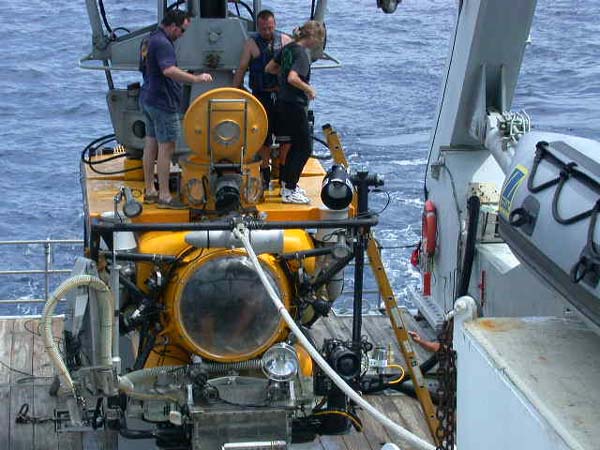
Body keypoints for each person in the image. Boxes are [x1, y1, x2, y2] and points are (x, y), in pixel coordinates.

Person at [140, 10, 213, 209]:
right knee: (167, 147)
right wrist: (196, 79)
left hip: (148, 98)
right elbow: (168, 70)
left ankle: (150, 190)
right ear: (173, 25)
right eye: (182, 30)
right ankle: (164, 195)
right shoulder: (164, 43)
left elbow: (146, 68)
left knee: (151, 144)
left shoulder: (149, 39)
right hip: (163, 103)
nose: (181, 34)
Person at [265, 20, 325, 204]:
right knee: (304, 147)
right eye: (319, 39)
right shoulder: (302, 54)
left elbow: (270, 68)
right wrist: (308, 89)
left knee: (295, 145)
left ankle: (287, 184)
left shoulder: (289, 48)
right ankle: (289, 189)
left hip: (282, 102)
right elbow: (293, 78)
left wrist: (282, 79)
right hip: (294, 104)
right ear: (313, 37)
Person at [232, 10, 291, 190]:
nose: (267, 31)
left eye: (270, 27)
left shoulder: (285, 41)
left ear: (275, 25)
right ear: (258, 27)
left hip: (282, 96)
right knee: (263, 138)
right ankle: (264, 173)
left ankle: (283, 173)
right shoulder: (251, 44)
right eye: (264, 28)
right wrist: (235, 91)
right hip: (261, 96)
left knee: (285, 138)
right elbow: (242, 68)